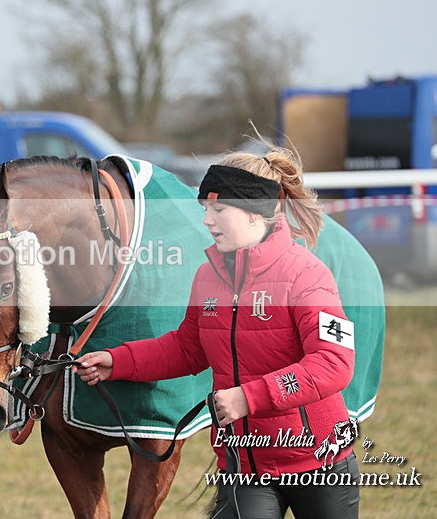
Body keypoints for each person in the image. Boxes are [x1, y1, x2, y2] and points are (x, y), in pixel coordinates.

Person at [75, 145, 360, 518]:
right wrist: (118, 361)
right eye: (205, 210)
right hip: (242, 465)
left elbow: (334, 363)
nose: (207, 221)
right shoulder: (207, 276)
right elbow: (186, 349)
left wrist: (249, 397)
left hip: (319, 464)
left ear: (256, 212)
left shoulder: (308, 275)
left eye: (219, 210)